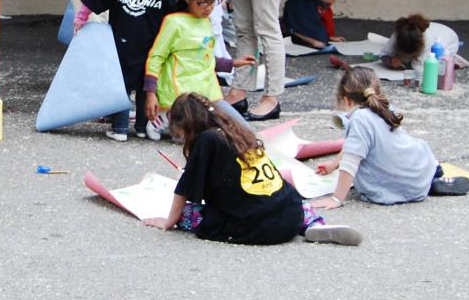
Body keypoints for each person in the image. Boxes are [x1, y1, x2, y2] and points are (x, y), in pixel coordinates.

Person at [142, 93, 362, 245]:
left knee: (188, 213)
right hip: (290, 215)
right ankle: (313, 223)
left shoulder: (206, 140)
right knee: (288, 203)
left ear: (189, 124)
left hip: (253, 225)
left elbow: (185, 189)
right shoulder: (238, 131)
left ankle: (303, 225)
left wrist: (169, 221)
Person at [75, 0, 177, 141]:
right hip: (152, 39)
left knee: (120, 82)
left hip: (121, 39)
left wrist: (80, 18)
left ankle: (120, 129)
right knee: (144, 82)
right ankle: (141, 126)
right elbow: (171, 9)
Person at [311, 67, 469, 208]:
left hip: (386, 191)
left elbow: (351, 160)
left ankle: (423, 182)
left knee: (369, 166)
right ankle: (429, 176)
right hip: (417, 176)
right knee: (416, 145)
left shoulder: (359, 119)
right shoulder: (385, 108)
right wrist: (334, 164)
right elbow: (353, 146)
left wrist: (336, 198)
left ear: (346, 99)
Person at [143, 0, 255, 140]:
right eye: (202, 3)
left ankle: (176, 119)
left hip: (207, 89)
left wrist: (233, 63)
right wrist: (151, 93)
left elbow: (205, 58)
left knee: (244, 131)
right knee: (194, 139)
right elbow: (156, 57)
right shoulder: (174, 22)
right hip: (181, 93)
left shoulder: (206, 21)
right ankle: (166, 117)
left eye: (213, 3)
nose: (208, 8)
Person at [380, 14, 468, 75]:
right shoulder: (397, 35)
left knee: (420, 66)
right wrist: (390, 61)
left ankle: (451, 59)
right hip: (428, 35)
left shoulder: (429, 41)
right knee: (405, 60)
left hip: (449, 37)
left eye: (413, 54)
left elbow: (420, 69)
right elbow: (383, 54)